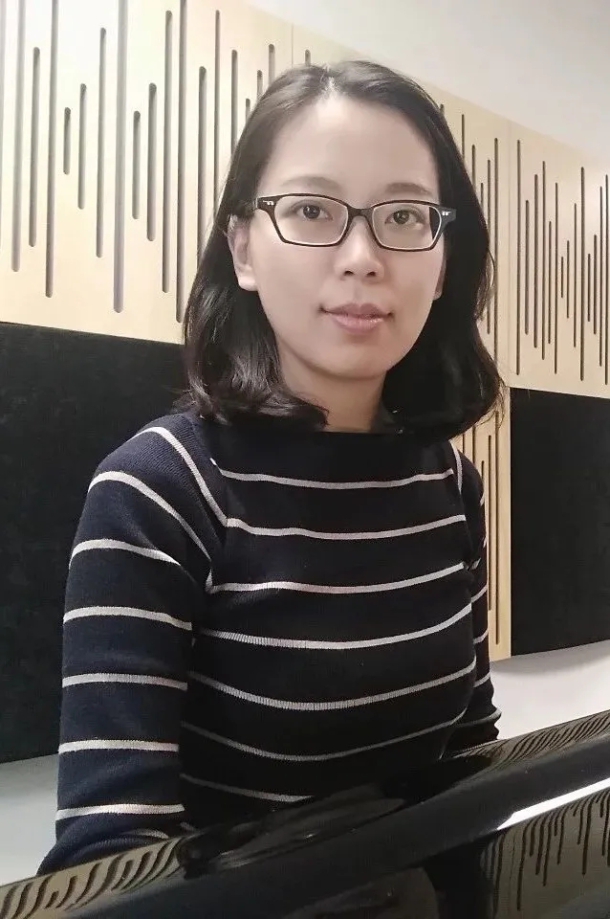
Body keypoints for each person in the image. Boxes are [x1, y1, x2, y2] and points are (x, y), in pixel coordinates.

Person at [40, 59, 503, 873]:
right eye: (313, 210)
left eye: (404, 215)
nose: (362, 256)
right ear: (243, 248)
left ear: (442, 261)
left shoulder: (450, 485)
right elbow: (111, 851)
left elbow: (469, 757)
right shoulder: (160, 489)